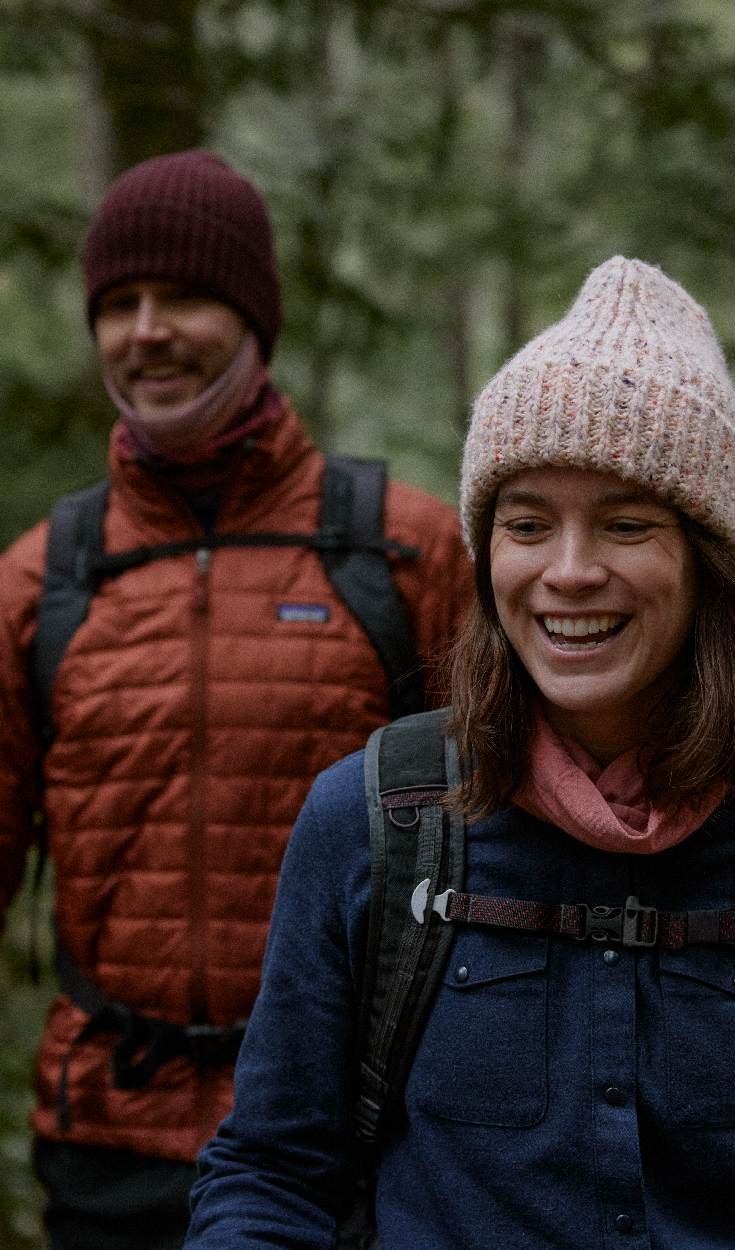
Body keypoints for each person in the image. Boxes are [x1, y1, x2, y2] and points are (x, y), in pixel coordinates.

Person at [183, 257, 735, 1248]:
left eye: (624, 524)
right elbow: (271, 1173)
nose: (568, 572)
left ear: (708, 565)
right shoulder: (372, 821)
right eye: (526, 524)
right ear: (489, 560)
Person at [0, 149, 472, 1250]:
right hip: (110, 1130)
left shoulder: (406, 553)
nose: (147, 330)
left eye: (184, 297)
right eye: (118, 304)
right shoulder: (41, 579)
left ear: (256, 317)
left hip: (352, 1132)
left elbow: (505, 844)